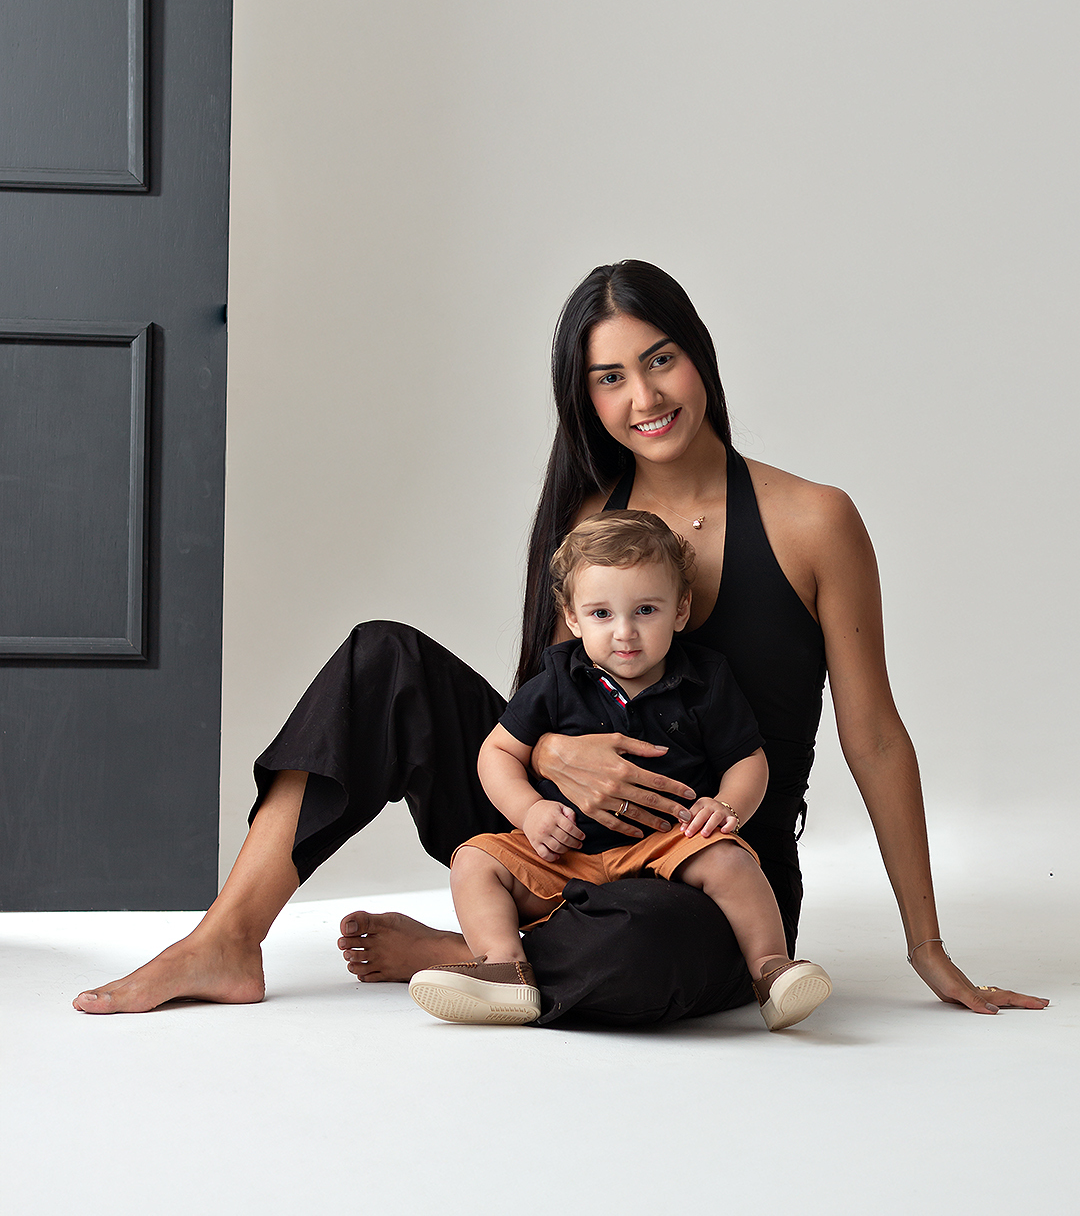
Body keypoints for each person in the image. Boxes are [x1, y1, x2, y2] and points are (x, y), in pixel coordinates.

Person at [72, 260, 1047, 1023]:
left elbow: (875, 737)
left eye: (660, 360)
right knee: (381, 659)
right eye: (609, 378)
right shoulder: (587, 517)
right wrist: (550, 759)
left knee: (641, 953)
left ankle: (468, 954)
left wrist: (928, 948)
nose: (644, 397)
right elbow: (536, 711)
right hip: (557, 838)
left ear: (700, 358)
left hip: (707, 869)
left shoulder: (813, 521)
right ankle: (228, 939)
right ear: (586, 399)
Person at [408, 510, 832, 1030]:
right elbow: (496, 753)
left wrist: (724, 807)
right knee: (474, 860)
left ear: (681, 610)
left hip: (669, 844)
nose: (625, 633)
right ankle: (504, 969)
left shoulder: (704, 681)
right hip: (565, 855)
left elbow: (748, 759)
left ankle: (770, 968)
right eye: (602, 614)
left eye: (645, 610)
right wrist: (530, 810)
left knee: (730, 859)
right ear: (573, 617)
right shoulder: (558, 680)